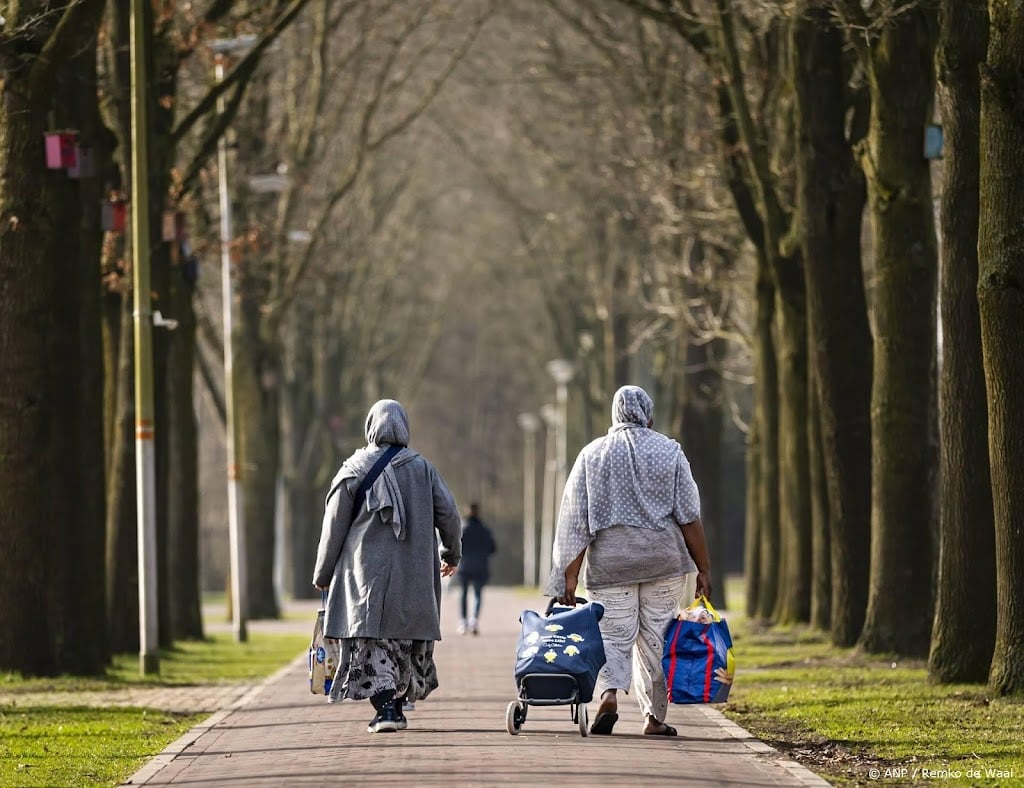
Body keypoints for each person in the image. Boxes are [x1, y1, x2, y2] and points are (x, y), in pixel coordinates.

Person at [546, 385, 711, 737]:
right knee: (656, 639)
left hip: (610, 565)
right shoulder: (671, 452)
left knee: (612, 637)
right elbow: (689, 516)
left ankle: (608, 695)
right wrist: (704, 568)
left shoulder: (592, 455)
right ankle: (653, 719)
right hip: (662, 564)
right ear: (648, 415)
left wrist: (568, 578)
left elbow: (576, 521)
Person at [313, 399, 462, 734]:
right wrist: (451, 554)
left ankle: (388, 710)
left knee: (373, 642)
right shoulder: (424, 469)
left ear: (371, 427)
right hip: (414, 576)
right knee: (402, 641)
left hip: (365, 578)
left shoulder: (353, 468)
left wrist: (323, 574)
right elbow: (449, 514)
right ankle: (393, 705)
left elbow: (333, 524)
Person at [456, 502, 497, 635]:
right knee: (478, 594)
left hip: (464, 566)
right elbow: (493, 548)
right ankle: (474, 621)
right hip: (480, 566)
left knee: (463, 594)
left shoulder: (461, 528)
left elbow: (454, 545)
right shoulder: (484, 529)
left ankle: (463, 622)